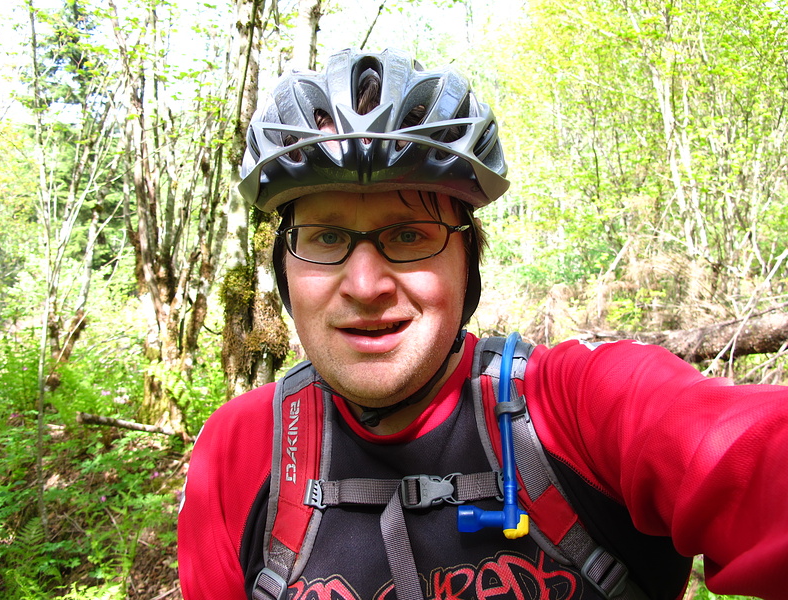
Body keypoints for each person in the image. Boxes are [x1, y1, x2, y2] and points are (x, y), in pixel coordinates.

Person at [177, 47, 788, 600]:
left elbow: (752, 453)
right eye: (327, 236)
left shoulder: (579, 408)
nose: (365, 286)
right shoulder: (238, 451)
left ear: (467, 265)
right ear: (285, 267)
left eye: (410, 235)